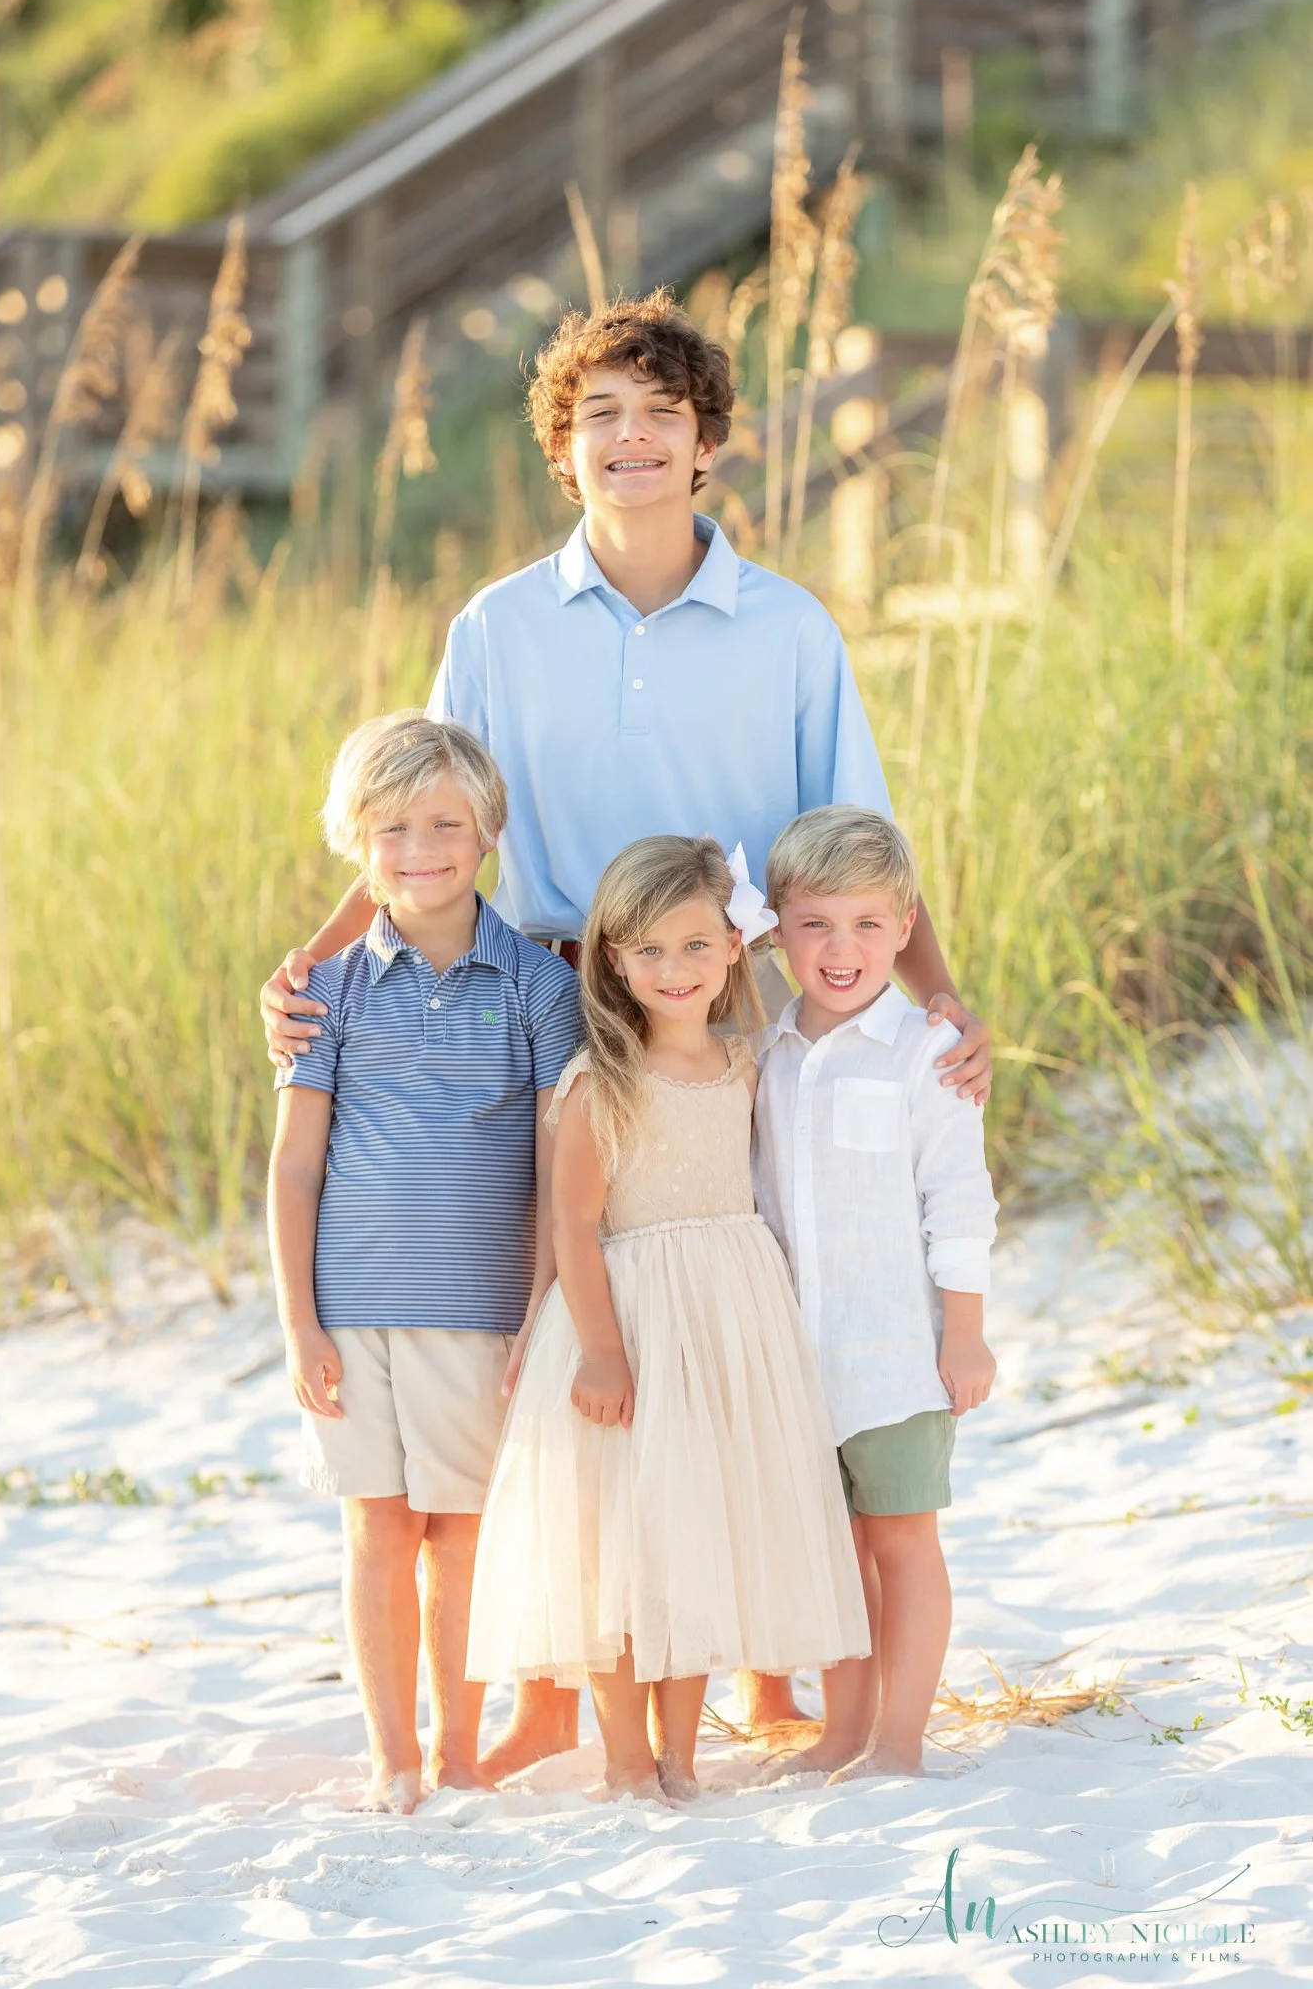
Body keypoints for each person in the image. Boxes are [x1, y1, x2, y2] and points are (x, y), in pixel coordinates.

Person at [259, 291, 992, 1764]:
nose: (633, 438)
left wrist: (944, 996)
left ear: (710, 443)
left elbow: (862, 841)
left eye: (663, 414)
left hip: (725, 1002)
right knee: (565, 1324)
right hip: (538, 999)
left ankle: (767, 1670)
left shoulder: (785, 625)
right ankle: (553, 1684)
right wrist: (316, 957)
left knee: (743, 1314)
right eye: (601, 415)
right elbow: (426, 814)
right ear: (561, 449)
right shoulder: (499, 624)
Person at [465, 836, 871, 1802]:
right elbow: (570, 1219)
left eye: (695, 946)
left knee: (693, 1537)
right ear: (611, 959)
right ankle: (624, 1758)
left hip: (728, 1324)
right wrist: (601, 1352)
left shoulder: (745, 1064)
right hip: (627, 1318)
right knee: (617, 1547)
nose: (673, 969)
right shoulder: (597, 1080)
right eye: (648, 950)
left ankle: (682, 1755)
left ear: (736, 948)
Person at [266, 712, 582, 1812]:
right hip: (349, 1311)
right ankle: (391, 1753)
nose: (420, 846)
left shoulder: (541, 991)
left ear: (488, 830)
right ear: (356, 841)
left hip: (479, 1311)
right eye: (392, 826)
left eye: (446, 821)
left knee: (459, 1534)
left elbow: (557, 1170)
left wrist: (544, 1304)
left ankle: (458, 1747)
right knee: (375, 1529)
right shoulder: (329, 992)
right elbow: (294, 1169)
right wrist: (299, 1320)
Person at [752, 807, 999, 1778]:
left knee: (899, 1539)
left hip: (894, 1352)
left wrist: (965, 1334)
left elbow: (958, 1200)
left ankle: (898, 1739)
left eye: (864, 923)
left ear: (904, 927)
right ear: (773, 931)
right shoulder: (766, 1052)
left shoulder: (923, 1052)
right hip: (796, 1358)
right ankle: (842, 1730)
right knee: (832, 1552)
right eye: (813, 923)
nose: (839, 948)